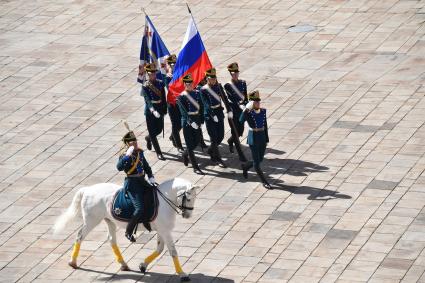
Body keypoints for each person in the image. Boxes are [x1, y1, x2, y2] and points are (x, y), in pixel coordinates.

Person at [117, 129, 156, 242]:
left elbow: (146, 166)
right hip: (132, 184)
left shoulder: (140, 152)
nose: (135, 143)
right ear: (127, 144)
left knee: (153, 196)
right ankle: (128, 231)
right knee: (139, 208)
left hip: (142, 181)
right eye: (132, 142)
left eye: (135, 141)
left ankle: (145, 219)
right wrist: (126, 157)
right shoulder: (124, 155)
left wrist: (151, 175)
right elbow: (119, 167)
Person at [240, 90, 271, 189]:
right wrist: (245, 109)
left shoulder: (263, 111)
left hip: (262, 137)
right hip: (253, 137)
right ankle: (264, 181)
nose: (258, 103)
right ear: (251, 103)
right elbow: (241, 120)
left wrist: (266, 138)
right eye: (255, 102)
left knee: (259, 159)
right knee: (257, 164)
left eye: (258, 101)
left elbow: (265, 125)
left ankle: (245, 166)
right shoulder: (249, 113)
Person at [176, 74, 204, 175]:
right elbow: (183, 112)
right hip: (187, 122)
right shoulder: (181, 97)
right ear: (184, 84)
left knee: (196, 141)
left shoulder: (197, 93)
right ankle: (195, 167)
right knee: (189, 143)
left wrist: (201, 120)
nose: (189, 85)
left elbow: (201, 107)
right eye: (187, 84)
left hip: (196, 119)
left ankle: (185, 153)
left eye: (191, 83)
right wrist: (190, 122)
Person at [200, 68, 227, 168]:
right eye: (211, 79)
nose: (213, 80)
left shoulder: (218, 86)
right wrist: (212, 115)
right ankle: (217, 158)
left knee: (221, 136)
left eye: (214, 78)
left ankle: (211, 150)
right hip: (209, 116)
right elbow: (206, 104)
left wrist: (229, 110)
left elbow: (224, 98)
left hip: (219, 113)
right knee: (214, 138)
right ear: (207, 79)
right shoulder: (203, 90)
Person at [141, 63, 167, 160]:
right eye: (151, 74)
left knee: (159, 129)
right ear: (147, 74)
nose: (153, 75)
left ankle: (148, 138)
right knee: (152, 132)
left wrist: (165, 108)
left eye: (154, 73)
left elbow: (163, 97)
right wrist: (152, 110)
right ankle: (159, 153)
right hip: (150, 111)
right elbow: (147, 99)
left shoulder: (160, 83)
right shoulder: (145, 86)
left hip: (159, 108)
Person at [224, 62, 248, 154]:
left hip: (242, 110)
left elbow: (245, 96)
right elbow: (231, 98)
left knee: (240, 131)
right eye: (233, 73)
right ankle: (239, 151)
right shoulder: (228, 85)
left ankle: (230, 141)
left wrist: (246, 105)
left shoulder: (243, 83)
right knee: (235, 130)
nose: (235, 75)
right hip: (233, 110)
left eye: (236, 73)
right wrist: (239, 104)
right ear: (231, 74)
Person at [164, 54, 184, 152]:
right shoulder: (168, 77)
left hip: (180, 103)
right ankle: (179, 146)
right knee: (175, 124)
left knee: (180, 124)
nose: (173, 66)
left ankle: (173, 136)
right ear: (169, 65)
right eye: (171, 64)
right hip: (172, 104)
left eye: (175, 64)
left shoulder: (181, 74)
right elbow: (170, 88)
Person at [195, 77, 208, 150]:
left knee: (200, 125)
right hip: (197, 109)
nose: (204, 81)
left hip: (203, 109)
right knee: (198, 125)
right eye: (202, 80)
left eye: (204, 79)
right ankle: (201, 141)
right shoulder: (197, 87)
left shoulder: (205, 85)